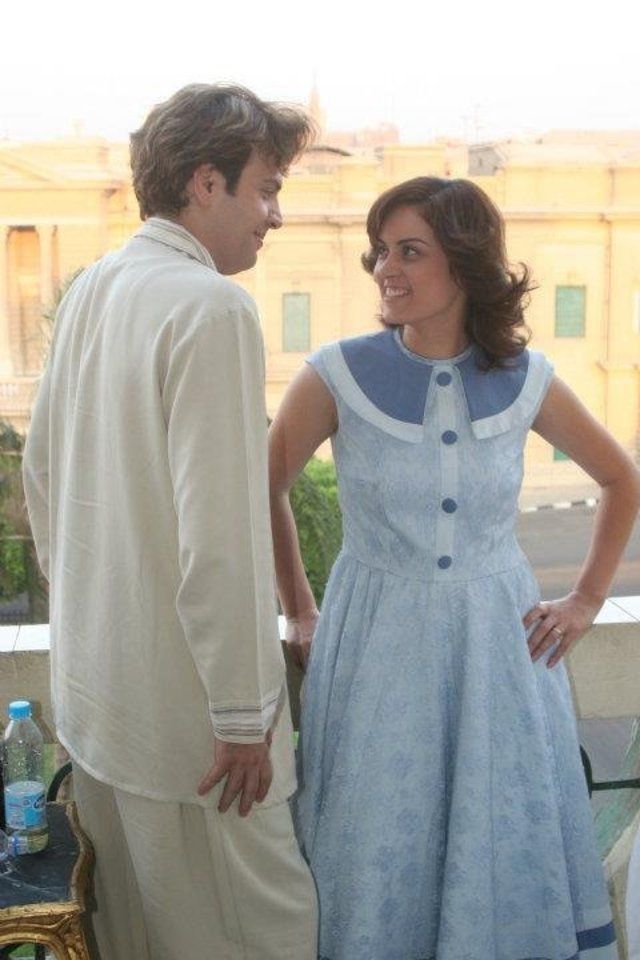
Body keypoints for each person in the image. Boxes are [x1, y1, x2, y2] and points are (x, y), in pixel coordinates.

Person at [269, 176, 640, 959]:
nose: (385, 269)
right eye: (380, 251)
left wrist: (585, 599)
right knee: (378, 840)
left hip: (497, 657)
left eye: (410, 251)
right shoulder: (336, 374)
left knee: (496, 833)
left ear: (466, 264)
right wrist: (299, 607)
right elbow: (261, 487)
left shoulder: (527, 379)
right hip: (375, 653)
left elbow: (621, 478)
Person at [22, 83, 318, 960]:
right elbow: (222, 541)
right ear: (204, 183)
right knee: (267, 935)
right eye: (265, 189)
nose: (275, 215)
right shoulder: (210, 307)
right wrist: (242, 718)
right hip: (202, 742)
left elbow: (41, 477)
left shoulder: (93, 288)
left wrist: (94, 612)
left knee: (140, 937)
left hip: (102, 706)